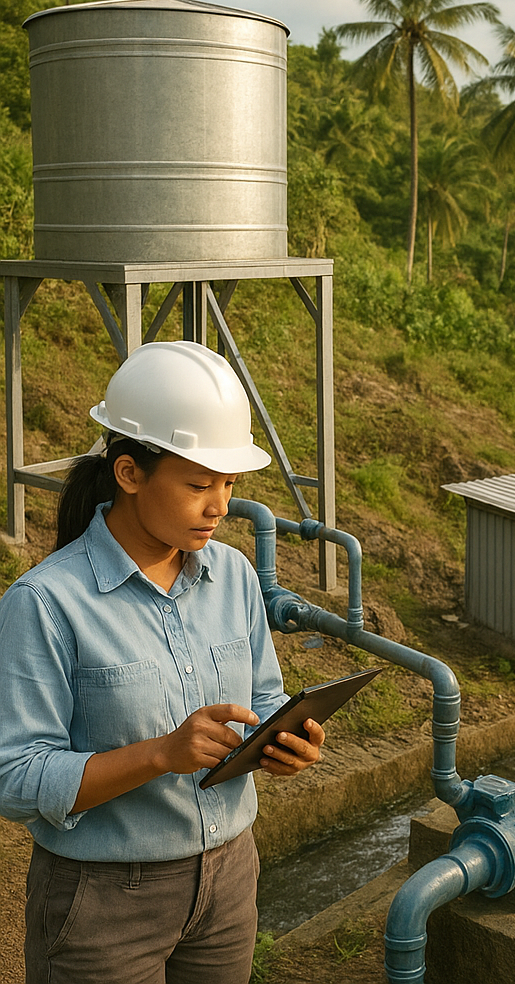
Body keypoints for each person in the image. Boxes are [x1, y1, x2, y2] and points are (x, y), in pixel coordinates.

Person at [0, 341, 325, 984]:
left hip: (229, 880)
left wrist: (282, 739)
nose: (220, 506)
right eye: (199, 485)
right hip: (103, 906)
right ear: (129, 473)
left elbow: (263, 697)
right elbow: (15, 779)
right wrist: (161, 754)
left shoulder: (233, 576)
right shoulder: (45, 603)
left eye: (229, 484)